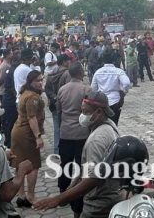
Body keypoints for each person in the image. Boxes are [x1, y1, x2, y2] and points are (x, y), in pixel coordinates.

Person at [33, 90, 121, 216]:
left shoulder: (96, 140)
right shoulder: (110, 125)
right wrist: (73, 185)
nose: (82, 115)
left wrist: (58, 199)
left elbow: (93, 179)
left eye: (85, 112)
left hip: (98, 206)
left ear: (99, 112)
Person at [55, 63, 90, 217]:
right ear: (81, 72)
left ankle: (63, 191)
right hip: (82, 132)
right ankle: (81, 191)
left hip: (66, 132)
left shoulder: (62, 89)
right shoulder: (86, 89)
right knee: (82, 164)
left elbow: (58, 110)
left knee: (65, 163)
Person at [11, 70, 46, 207]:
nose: (40, 82)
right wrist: (38, 136)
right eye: (37, 80)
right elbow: (32, 118)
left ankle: (21, 196)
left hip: (18, 131)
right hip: (27, 134)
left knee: (20, 164)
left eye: (41, 79)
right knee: (33, 165)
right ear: (30, 82)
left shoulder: (24, 92)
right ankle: (30, 196)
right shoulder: (32, 97)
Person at [90, 51, 131, 125]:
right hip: (115, 101)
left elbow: (93, 88)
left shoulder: (98, 72)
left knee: (102, 123)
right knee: (114, 123)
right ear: (114, 60)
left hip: (101, 102)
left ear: (103, 60)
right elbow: (126, 83)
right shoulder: (119, 71)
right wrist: (124, 92)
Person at [45, 54, 71, 154]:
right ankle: (65, 150)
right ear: (64, 62)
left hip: (53, 104)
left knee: (56, 128)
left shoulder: (51, 73)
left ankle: (57, 150)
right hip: (64, 105)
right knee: (65, 128)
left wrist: (53, 97)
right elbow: (68, 90)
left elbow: (47, 89)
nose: (70, 62)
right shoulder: (67, 73)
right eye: (68, 60)